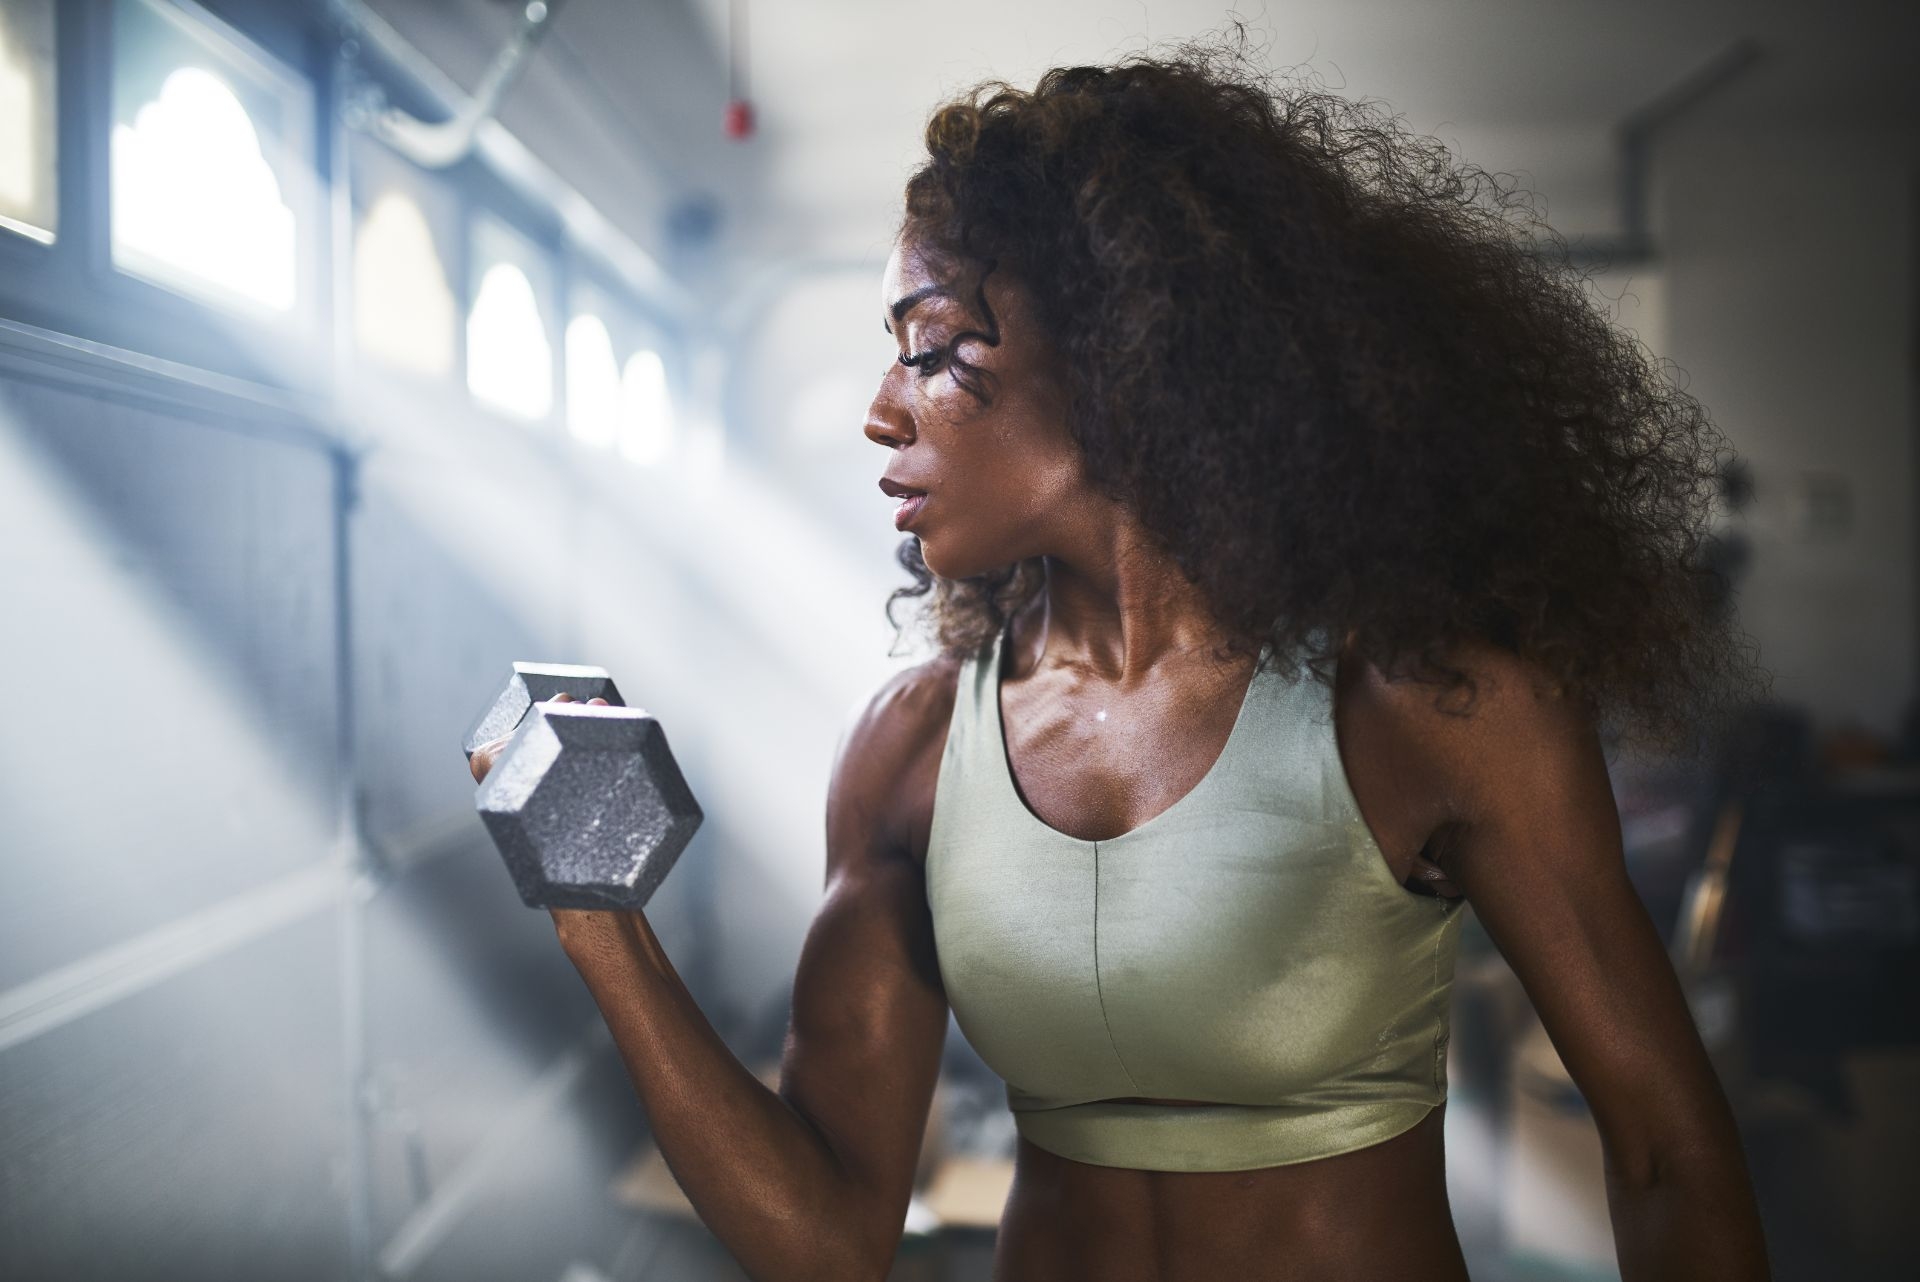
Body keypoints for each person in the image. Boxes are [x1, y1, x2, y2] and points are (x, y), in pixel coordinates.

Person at [472, 37, 1773, 1282]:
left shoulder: (1421, 703)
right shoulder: (911, 751)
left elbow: (1669, 1157)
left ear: (1118, 351)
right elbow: (827, 1243)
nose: (881, 408)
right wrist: (605, 931)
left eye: (928, 346)